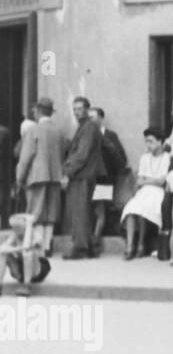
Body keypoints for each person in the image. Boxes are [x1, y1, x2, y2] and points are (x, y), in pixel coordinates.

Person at [15, 97, 67, 276]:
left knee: (35, 213)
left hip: (36, 177)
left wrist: (19, 178)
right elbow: (62, 154)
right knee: (50, 213)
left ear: (38, 111)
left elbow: (26, 156)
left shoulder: (33, 130)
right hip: (55, 176)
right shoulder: (59, 131)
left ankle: (37, 249)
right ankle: (46, 247)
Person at [62, 96, 105, 260]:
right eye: (75, 109)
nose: (77, 112)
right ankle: (90, 246)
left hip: (82, 175)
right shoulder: (86, 127)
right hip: (84, 174)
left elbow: (82, 154)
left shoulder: (88, 127)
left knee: (79, 212)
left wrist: (68, 172)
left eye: (80, 109)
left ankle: (80, 248)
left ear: (87, 109)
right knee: (83, 211)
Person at [121, 127, 170, 260]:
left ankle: (142, 244)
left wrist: (146, 181)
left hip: (158, 193)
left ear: (160, 142)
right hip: (144, 192)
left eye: (151, 141)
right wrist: (150, 181)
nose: (148, 145)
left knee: (144, 210)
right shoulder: (144, 158)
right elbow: (139, 180)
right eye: (146, 142)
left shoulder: (167, 158)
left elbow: (162, 181)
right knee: (131, 209)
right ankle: (130, 246)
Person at [89, 107, 127, 256]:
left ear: (100, 118)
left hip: (104, 179)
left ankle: (95, 241)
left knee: (100, 210)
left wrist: (114, 174)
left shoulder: (110, 136)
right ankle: (92, 240)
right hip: (90, 179)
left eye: (93, 117)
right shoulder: (87, 135)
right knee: (93, 210)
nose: (90, 120)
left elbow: (120, 157)